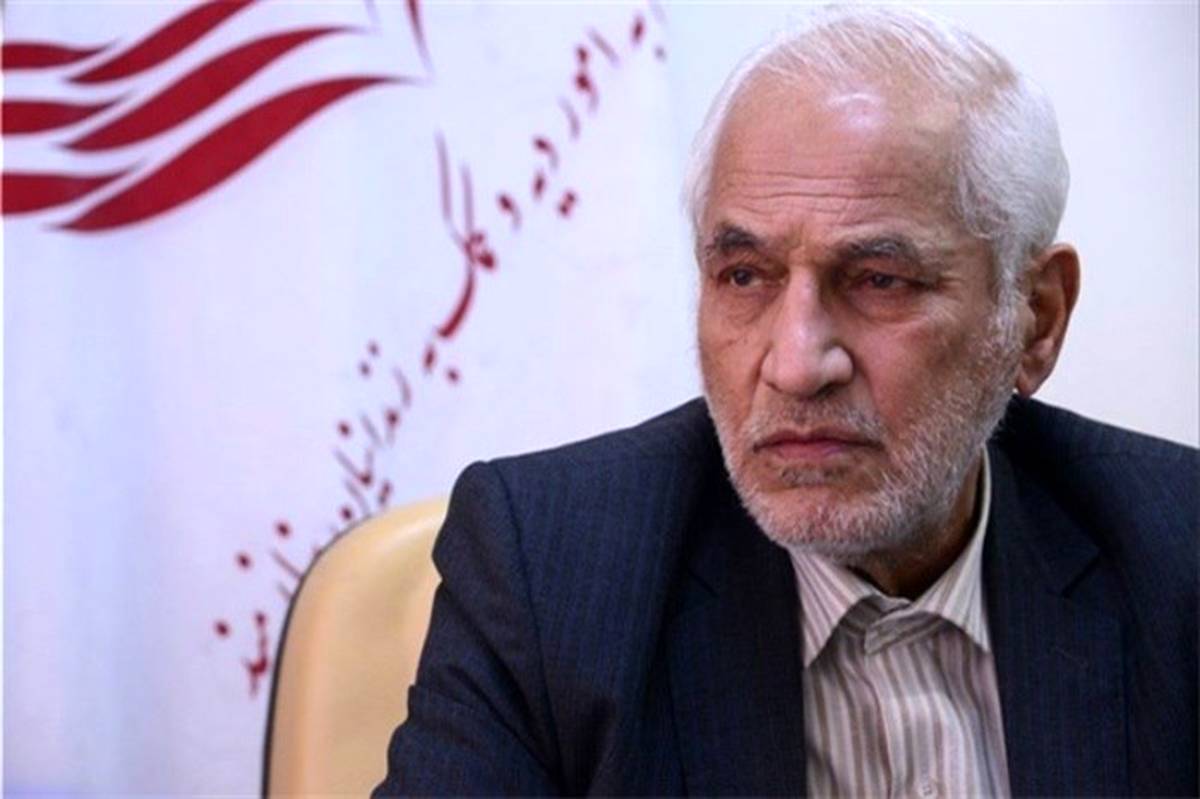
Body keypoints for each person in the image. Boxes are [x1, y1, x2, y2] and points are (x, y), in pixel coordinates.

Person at [375, 6, 1197, 796]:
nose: (797, 365)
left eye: (880, 280)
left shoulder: (1177, 555)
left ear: (1035, 319)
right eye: (744, 276)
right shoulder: (550, 573)